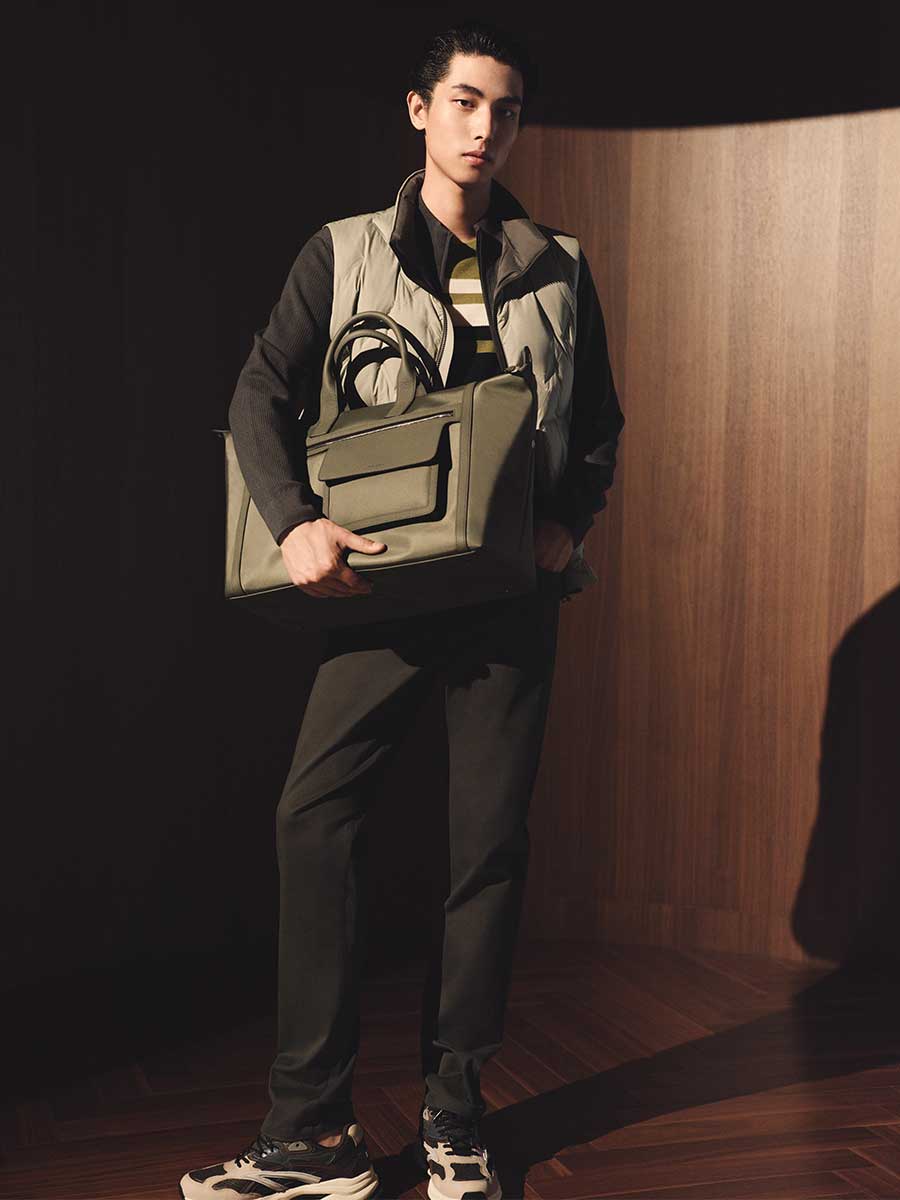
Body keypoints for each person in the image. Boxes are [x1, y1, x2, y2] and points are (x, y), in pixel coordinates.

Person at [180, 19, 624, 1200]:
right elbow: (260, 394)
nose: (486, 128)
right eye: (466, 102)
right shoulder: (343, 251)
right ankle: (312, 1134)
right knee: (312, 818)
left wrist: (568, 521)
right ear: (420, 111)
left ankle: (455, 1118)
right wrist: (294, 522)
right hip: (377, 588)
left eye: (506, 109)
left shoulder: (561, 264)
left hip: (511, 600)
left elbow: (599, 425)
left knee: (486, 852)